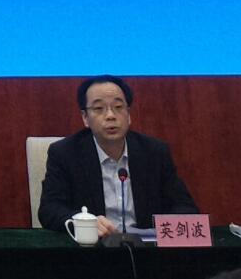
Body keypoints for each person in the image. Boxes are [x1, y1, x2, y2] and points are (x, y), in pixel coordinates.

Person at [38, 74, 198, 236]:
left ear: (128, 114)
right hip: (95, 246)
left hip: (145, 246)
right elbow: (49, 209)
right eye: (99, 108)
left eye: (118, 107)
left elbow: (185, 207)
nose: (110, 115)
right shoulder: (65, 153)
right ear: (85, 118)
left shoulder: (154, 152)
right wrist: (84, 222)